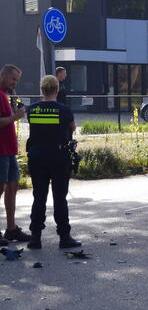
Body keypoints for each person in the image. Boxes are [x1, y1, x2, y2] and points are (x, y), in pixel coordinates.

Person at [25, 75, 81, 249]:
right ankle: (64, 237)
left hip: (37, 156)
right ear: (57, 89)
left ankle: (35, 237)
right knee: (59, 197)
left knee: (39, 197)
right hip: (58, 156)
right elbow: (73, 128)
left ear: (42, 89)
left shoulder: (32, 109)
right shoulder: (63, 110)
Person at [0, 65, 31, 245]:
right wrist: (15, 116)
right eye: (13, 79)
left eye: (17, 81)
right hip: (1, 151)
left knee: (12, 188)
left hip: (10, 150)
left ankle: (11, 229)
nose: (14, 84)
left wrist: (13, 110)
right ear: (3, 75)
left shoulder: (6, 94)